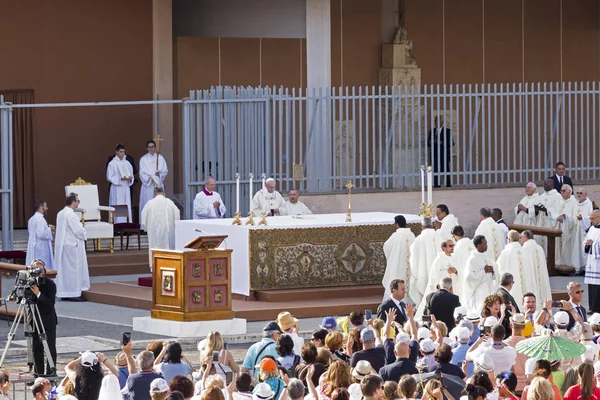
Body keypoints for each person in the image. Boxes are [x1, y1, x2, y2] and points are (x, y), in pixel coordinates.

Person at [54, 192, 89, 301]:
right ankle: (74, 293)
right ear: (73, 202)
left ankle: (65, 292)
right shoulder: (71, 215)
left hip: (63, 246)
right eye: (78, 201)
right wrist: (84, 231)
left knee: (65, 271)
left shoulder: (60, 213)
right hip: (72, 246)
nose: (78, 203)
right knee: (74, 270)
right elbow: (78, 230)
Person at [27, 259, 58, 376]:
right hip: (34, 320)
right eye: (36, 270)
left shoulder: (50, 284)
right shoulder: (29, 283)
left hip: (47, 320)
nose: (40, 273)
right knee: (36, 349)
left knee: (49, 348)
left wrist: (38, 294)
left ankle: (51, 375)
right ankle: (38, 375)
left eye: (41, 270)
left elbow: (50, 302)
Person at [141, 186, 180, 271]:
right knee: (168, 248)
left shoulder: (149, 204)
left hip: (154, 234)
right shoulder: (169, 202)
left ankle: (155, 269)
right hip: (168, 232)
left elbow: (143, 219)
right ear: (164, 193)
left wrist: (146, 229)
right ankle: (170, 267)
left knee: (155, 248)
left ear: (154, 193)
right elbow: (177, 215)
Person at [382, 215, 416, 301]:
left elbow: (386, 247)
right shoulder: (412, 235)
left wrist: (392, 257)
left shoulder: (396, 235)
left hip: (398, 266)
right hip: (411, 266)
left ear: (397, 224)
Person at [409, 217, 440, 305]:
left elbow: (413, 258)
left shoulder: (418, 239)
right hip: (438, 273)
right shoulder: (439, 237)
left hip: (423, 273)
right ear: (432, 225)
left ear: (422, 226)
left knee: (424, 295)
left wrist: (416, 272)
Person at [497, 231, 530, 307]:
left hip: (511, 284)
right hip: (526, 283)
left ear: (508, 239)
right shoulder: (525, 251)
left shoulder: (506, 252)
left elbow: (499, 268)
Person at [464, 235, 496, 312]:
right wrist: (483, 271)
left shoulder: (487, 256)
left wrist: (493, 270)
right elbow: (469, 277)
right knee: (482, 308)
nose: (486, 246)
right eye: (484, 244)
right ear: (478, 245)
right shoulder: (472, 259)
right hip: (480, 288)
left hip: (489, 286)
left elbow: (496, 269)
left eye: (487, 244)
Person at [520, 230, 552, 306]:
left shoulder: (524, 248)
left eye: (521, 237)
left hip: (531, 277)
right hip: (541, 277)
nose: (520, 239)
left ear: (525, 237)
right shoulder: (539, 248)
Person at [139, 139, 168, 223]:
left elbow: (165, 171)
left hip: (157, 186)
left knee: (159, 205)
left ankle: (159, 224)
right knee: (147, 204)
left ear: (155, 147)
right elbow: (142, 173)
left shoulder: (160, 158)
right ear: (147, 148)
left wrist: (159, 174)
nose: (151, 149)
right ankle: (145, 225)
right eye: (149, 147)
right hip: (148, 186)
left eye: (152, 147)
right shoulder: (143, 159)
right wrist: (151, 177)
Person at [107, 143, 134, 223]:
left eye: (123, 152)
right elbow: (109, 176)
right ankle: (116, 224)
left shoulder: (127, 163)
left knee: (126, 204)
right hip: (117, 188)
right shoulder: (112, 163)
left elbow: (131, 175)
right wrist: (119, 179)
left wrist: (130, 179)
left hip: (125, 187)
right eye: (120, 152)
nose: (122, 154)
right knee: (117, 204)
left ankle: (126, 224)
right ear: (116, 152)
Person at [503, 314, 530, 391]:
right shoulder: (530, 344)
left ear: (511, 325)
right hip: (527, 386)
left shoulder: (504, 344)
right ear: (524, 327)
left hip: (511, 386)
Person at [535, 179, 562, 253]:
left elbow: (558, 210)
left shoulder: (557, 196)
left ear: (552, 185)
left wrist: (547, 210)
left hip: (550, 222)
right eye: (544, 184)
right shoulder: (541, 196)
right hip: (540, 220)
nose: (545, 185)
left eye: (547, 184)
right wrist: (536, 210)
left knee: (548, 240)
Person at [26, 200, 55, 269]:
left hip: (33, 245)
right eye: (46, 206)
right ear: (42, 207)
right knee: (41, 265)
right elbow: (41, 234)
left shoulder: (31, 219)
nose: (47, 208)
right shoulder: (41, 219)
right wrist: (50, 229)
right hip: (41, 247)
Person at [554, 184, 578, 267]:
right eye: (561, 190)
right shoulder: (558, 201)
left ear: (569, 192)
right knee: (557, 246)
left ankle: (567, 264)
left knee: (567, 247)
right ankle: (558, 263)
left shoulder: (574, 202)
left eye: (564, 191)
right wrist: (557, 217)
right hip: (557, 226)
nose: (561, 192)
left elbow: (574, 216)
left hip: (568, 228)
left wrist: (565, 218)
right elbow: (552, 212)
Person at [573, 188, 594, 274]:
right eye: (577, 193)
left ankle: (585, 268)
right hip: (576, 231)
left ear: (585, 194)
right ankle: (577, 268)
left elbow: (591, 217)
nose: (579, 194)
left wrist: (582, 219)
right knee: (577, 249)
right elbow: (572, 216)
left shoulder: (589, 204)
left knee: (584, 248)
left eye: (581, 193)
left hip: (584, 232)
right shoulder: (575, 204)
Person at [427, 115, 453, 188]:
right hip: (435, 155)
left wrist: (442, 143)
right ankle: (436, 185)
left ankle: (448, 185)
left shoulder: (447, 131)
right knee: (435, 171)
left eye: (438, 121)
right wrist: (433, 141)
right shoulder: (432, 131)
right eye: (435, 121)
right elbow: (428, 143)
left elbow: (451, 143)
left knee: (445, 170)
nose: (436, 123)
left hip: (443, 155)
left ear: (442, 123)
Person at [584, 209, 600, 313]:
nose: (590, 221)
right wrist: (586, 244)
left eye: (592, 218)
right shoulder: (591, 229)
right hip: (591, 261)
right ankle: (592, 307)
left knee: (598, 286)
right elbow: (585, 240)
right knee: (591, 285)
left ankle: (598, 308)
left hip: (598, 262)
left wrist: (593, 244)